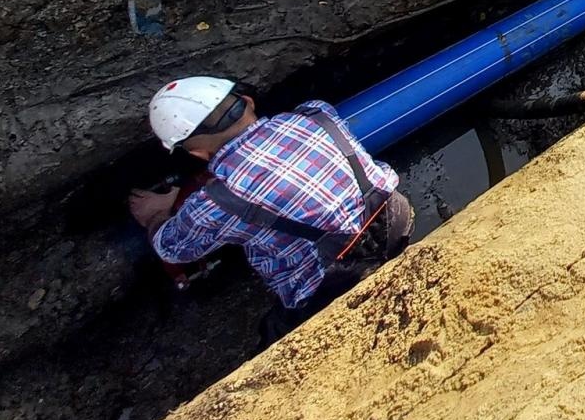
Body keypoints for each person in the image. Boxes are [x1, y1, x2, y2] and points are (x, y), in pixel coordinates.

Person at [128, 77, 414, 343]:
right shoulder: (315, 113)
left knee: (276, 333)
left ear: (197, 154)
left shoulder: (217, 202)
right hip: (395, 218)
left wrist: (155, 215)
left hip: (339, 277)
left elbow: (171, 247)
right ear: (248, 102)